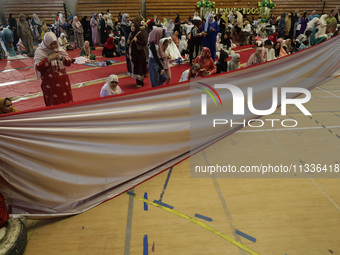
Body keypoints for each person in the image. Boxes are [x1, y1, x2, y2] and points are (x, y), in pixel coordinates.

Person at [34, 32, 73, 106]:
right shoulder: (40, 52)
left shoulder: (59, 50)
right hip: (50, 83)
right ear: (46, 42)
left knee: (66, 99)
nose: (53, 46)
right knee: (53, 101)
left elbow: (69, 63)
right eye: (51, 44)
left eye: (55, 43)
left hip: (63, 81)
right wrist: (48, 59)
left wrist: (61, 58)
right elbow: (38, 67)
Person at [127, 21, 147, 87]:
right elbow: (128, 44)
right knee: (135, 67)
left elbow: (144, 42)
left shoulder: (139, 34)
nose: (132, 27)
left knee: (139, 67)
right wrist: (128, 53)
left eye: (133, 26)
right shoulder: (131, 34)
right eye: (131, 26)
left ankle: (140, 82)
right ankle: (138, 81)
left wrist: (137, 41)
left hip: (139, 55)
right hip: (133, 54)